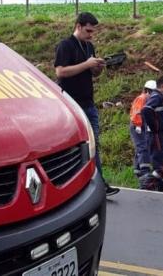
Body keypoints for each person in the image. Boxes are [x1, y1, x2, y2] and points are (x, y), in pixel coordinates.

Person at [54, 12, 120, 196]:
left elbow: (93, 74)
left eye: (93, 32)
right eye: (88, 30)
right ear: (78, 26)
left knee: (93, 144)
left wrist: (97, 68)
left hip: (88, 103)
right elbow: (60, 72)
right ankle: (68, 183)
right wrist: (86, 63)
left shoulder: (89, 46)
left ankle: (99, 183)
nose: (91, 35)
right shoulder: (65, 45)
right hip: (70, 105)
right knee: (69, 147)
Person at [140, 75, 163, 191]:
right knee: (162, 166)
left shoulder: (159, 97)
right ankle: (146, 184)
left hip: (159, 135)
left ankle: (161, 188)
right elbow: (146, 110)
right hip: (157, 136)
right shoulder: (156, 97)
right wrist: (155, 127)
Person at [130, 80, 155, 178]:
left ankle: (138, 170)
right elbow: (137, 112)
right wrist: (138, 125)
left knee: (140, 147)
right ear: (148, 91)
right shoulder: (142, 98)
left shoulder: (147, 99)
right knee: (142, 147)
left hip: (141, 125)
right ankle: (145, 171)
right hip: (137, 125)